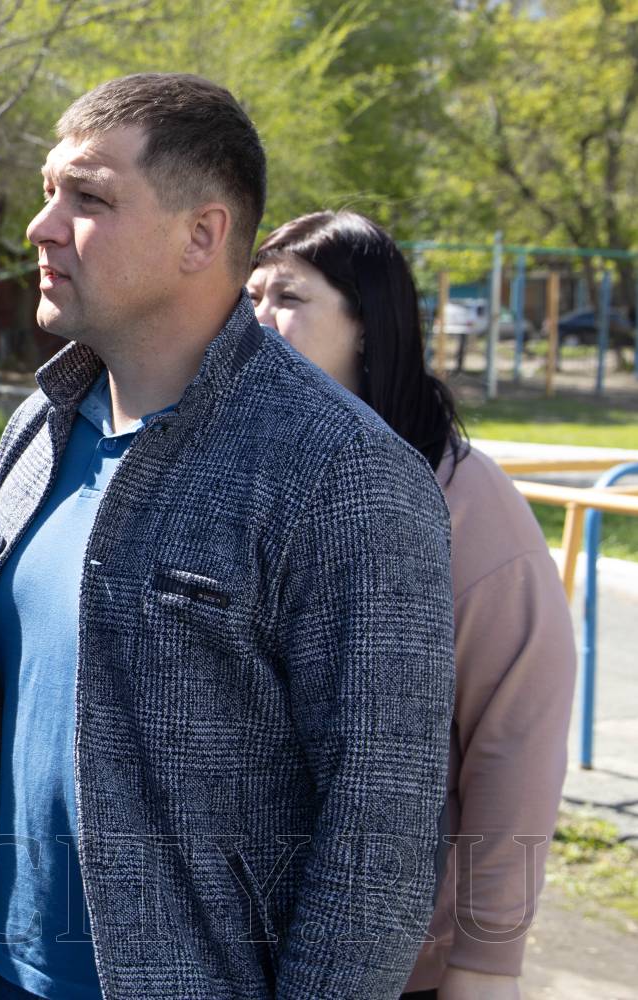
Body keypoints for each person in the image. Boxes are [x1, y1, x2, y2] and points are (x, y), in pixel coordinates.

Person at [0, 73, 456, 1000]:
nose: (41, 227)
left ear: (202, 235)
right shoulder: (38, 429)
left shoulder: (343, 474)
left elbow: (377, 839)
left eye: (89, 198)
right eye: (48, 192)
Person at [248, 210, 576, 1000]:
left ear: (367, 325)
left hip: (393, 964)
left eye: (288, 298)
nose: (257, 320)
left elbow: (516, 737)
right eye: (249, 296)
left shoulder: (463, 497)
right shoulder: (245, 470)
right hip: (221, 944)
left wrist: (485, 959)